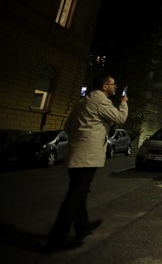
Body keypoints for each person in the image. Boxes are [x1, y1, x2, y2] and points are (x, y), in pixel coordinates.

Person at [45, 74, 128, 252]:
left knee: (80, 192)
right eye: (113, 84)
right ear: (105, 86)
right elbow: (120, 118)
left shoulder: (83, 101)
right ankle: (57, 237)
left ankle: (82, 226)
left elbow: (68, 127)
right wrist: (123, 103)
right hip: (87, 156)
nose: (115, 87)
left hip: (76, 153)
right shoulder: (101, 101)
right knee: (74, 196)